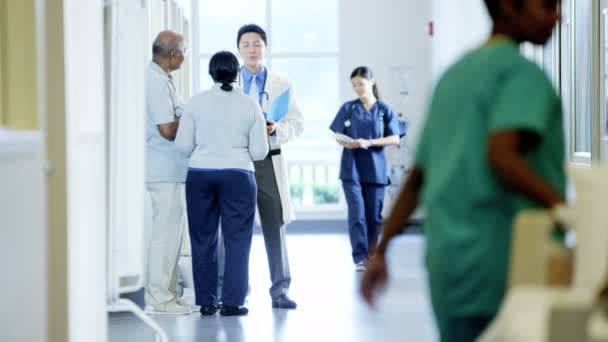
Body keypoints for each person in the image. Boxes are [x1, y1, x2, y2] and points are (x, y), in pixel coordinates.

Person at [360, 0, 564, 341]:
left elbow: (418, 178)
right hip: (506, 258)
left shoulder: (453, 76)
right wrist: (566, 209)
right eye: (545, 5)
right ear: (508, 7)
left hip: (447, 260)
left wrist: (381, 251)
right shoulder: (523, 74)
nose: (556, 15)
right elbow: (502, 155)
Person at [175, 51, 269, 316]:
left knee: (202, 239)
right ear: (237, 73)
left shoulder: (195, 103)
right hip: (238, 175)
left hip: (200, 174)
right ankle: (232, 303)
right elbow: (260, 152)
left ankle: (206, 302)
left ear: (211, 73)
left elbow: (183, 146)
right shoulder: (250, 105)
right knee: (238, 240)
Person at [236, 23, 303, 309]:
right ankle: (236, 291)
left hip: (269, 161)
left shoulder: (282, 84)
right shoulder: (229, 83)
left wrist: (276, 129)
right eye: (246, 44)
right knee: (236, 228)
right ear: (238, 49)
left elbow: (297, 124)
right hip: (237, 161)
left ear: (265, 47)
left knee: (274, 226)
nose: (252, 49)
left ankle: (280, 290)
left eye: (257, 44)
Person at [329, 66, 402, 272]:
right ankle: (360, 258)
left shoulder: (384, 110)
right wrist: (348, 142)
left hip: (375, 170)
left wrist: (369, 143)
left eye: (360, 83)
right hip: (351, 169)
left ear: (371, 82)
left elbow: (395, 138)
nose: (357, 88)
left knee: (374, 216)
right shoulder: (348, 108)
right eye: (354, 85)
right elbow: (337, 135)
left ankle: (373, 255)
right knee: (357, 214)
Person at [144, 30, 195, 315]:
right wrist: (191, 116)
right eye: (184, 50)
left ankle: (169, 294)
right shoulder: (153, 80)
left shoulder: (163, 78)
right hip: (162, 169)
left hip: (171, 170)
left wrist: (183, 115)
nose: (185, 54)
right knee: (164, 236)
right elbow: (167, 129)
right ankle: (158, 299)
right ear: (174, 55)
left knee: (173, 236)